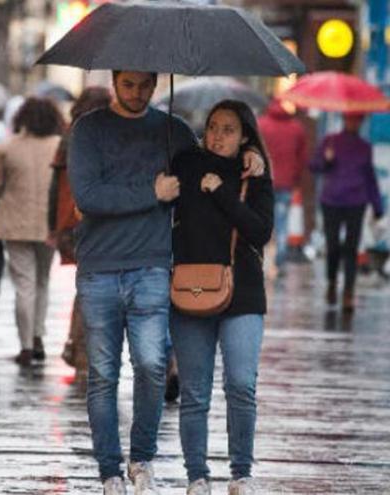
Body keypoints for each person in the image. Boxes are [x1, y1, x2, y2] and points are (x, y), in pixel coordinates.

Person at [68, 71, 266, 495]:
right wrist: (150, 192)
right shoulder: (88, 130)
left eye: (145, 85)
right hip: (99, 267)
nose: (137, 93)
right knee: (102, 374)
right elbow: (87, 196)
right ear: (116, 80)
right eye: (128, 85)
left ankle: (141, 460)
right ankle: (110, 471)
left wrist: (252, 155)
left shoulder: (173, 132)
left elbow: (214, 166)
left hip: (154, 268)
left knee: (153, 366)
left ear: (156, 82)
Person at [169, 100, 274, 495]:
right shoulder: (186, 164)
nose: (217, 135)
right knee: (194, 393)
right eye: (213, 126)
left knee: (241, 385)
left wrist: (223, 192)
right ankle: (197, 476)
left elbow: (259, 232)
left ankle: (240, 474)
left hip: (243, 294)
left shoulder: (255, 176)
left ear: (245, 134)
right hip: (188, 291)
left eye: (228, 129)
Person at [0, 97, 63, 366]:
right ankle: (39, 335)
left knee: (24, 285)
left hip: (15, 223)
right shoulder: (59, 147)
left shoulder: (7, 148)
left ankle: (26, 345)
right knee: (42, 281)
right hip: (50, 225)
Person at [49, 86, 111, 384]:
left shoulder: (69, 134)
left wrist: (53, 224)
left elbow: (55, 183)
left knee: (86, 285)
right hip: (95, 221)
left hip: (71, 222)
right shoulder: (107, 137)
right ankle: (80, 350)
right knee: (93, 286)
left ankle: (77, 349)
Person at [310, 112, 384, 312]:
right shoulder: (330, 142)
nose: (354, 122)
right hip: (331, 201)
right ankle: (332, 282)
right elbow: (314, 166)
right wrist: (327, 160)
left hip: (355, 203)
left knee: (351, 248)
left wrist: (377, 206)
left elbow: (370, 178)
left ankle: (348, 292)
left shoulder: (364, 147)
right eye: (351, 119)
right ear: (344, 120)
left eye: (357, 119)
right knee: (333, 246)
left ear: (360, 122)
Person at [257, 99, 308, 275]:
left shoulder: (261, 124)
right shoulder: (296, 128)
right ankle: (280, 261)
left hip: (263, 183)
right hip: (285, 184)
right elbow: (302, 159)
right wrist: (296, 178)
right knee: (282, 223)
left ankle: (262, 260)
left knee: (262, 222)